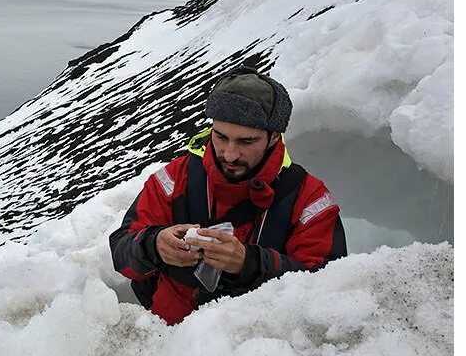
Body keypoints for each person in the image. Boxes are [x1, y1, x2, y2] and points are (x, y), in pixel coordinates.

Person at [109, 66, 347, 325]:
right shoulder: (174, 180)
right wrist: (153, 245)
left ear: (274, 138)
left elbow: (326, 292)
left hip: (259, 351)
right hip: (166, 343)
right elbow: (121, 253)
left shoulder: (309, 200)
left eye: (246, 142)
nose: (230, 154)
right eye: (221, 137)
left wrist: (250, 264)